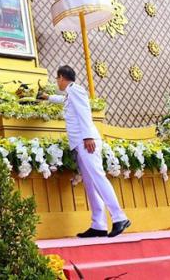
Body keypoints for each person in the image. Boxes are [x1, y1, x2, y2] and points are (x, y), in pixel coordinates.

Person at [40, 65, 131, 238]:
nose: (57, 82)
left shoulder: (76, 90)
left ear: (61, 77)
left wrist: (88, 136)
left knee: (98, 178)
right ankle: (98, 224)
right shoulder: (70, 93)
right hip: (80, 143)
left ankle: (119, 217)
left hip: (86, 141)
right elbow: (64, 101)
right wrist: (47, 97)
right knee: (90, 184)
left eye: (57, 79)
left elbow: (84, 112)